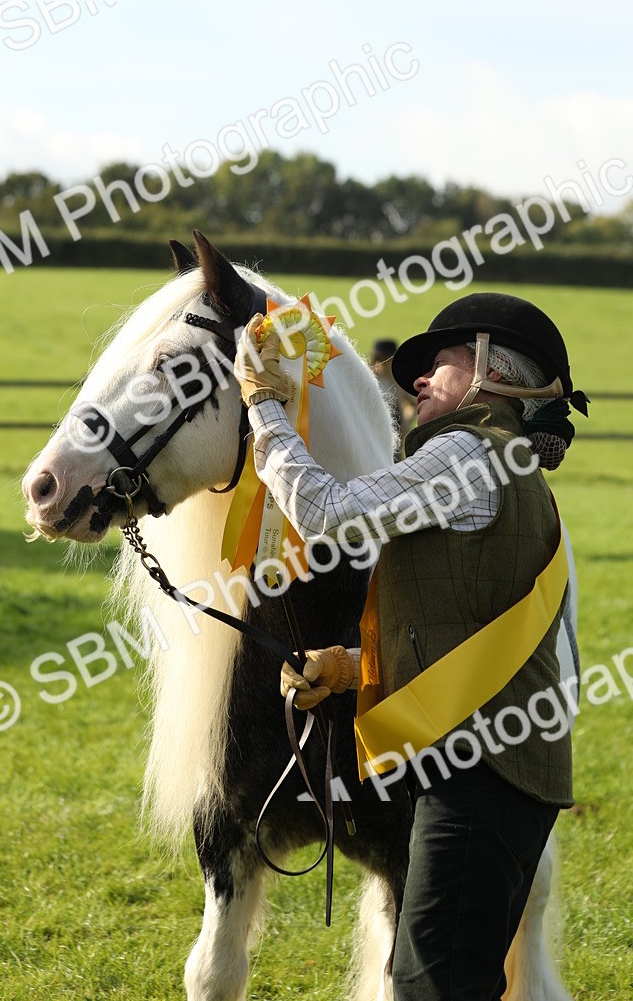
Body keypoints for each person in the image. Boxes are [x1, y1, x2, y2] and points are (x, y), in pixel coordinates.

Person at [233, 292, 588, 1001]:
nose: (418, 378)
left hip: (480, 780)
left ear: (493, 374)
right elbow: (461, 634)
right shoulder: (501, 464)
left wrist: (263, 406)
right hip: (496, 776)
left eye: (444, 364)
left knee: (434, 988)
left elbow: (327, 512)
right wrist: (355, 668)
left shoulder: (468, 451)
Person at [370, 337, 417, 453]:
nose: (381, 363)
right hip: (372, 426)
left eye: (385, 359)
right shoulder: (370, 377)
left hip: (394, 430)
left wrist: (406, 420)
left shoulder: (398, 380)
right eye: (379, 359)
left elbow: (412, 403)